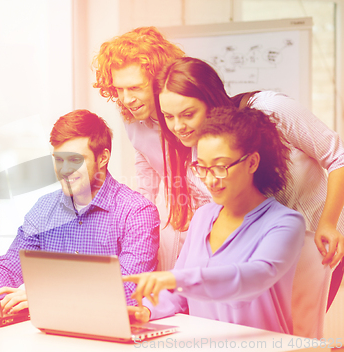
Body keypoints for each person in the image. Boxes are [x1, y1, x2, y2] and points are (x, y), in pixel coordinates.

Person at [154, 57, 344, 310]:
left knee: (301, 334)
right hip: (270, 254)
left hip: (323, 241)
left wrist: (329, 223)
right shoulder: (197, 159)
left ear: (211, 100)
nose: (178, 126)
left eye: (188, 114)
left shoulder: (271, 110)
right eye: (168, 116)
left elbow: (338, 157)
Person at [125, 106, 306, 334]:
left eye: (220, 167)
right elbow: (179, 294)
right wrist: (147, 311)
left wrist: (173, 278)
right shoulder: (203, 217)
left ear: (252, 163)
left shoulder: (285, 223)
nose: (210, 179)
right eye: (202, 167)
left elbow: (252, 279)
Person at [0, 109, 160, 313]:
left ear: (102, 158)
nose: (64, 170)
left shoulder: (137, 212)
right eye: (59, 160)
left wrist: (45, 294)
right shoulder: (43, 209)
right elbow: (9, 268)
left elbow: (130, 290)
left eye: (74, 160)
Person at [93, 27, 188, 270]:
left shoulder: (188, 117)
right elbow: (145, 163)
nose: (126, 99)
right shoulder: (131, 115)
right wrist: (141, 220)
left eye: (135, 88)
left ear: (160, 81)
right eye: (119, 89)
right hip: (172, 216)